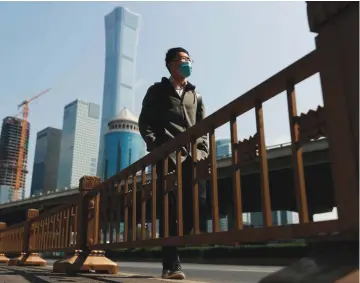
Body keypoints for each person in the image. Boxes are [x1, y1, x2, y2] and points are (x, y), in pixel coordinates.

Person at [138, 47, 208, 280]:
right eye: (182, 60)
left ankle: (173, 242)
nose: (187, 63)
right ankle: (171, 264)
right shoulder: (157, 91)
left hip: (193, 159)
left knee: (198, 204)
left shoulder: (195, 95)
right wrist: (155, 146)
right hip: (167, 158)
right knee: (169, 210)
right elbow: (145, 122)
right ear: (170, 64)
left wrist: (203, 151)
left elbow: (202, 126)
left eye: (189, 60)